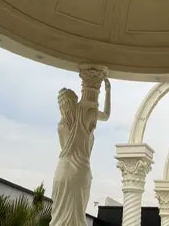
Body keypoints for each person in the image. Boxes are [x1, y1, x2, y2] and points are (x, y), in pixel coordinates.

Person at [50, 76, 111, 226]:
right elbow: (106, 115)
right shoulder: (86, 114)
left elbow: (63, 148)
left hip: (63, 170)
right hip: (80, 170)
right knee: (77, 212)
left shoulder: (61, 126)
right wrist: (108, 91)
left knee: (59, 214)